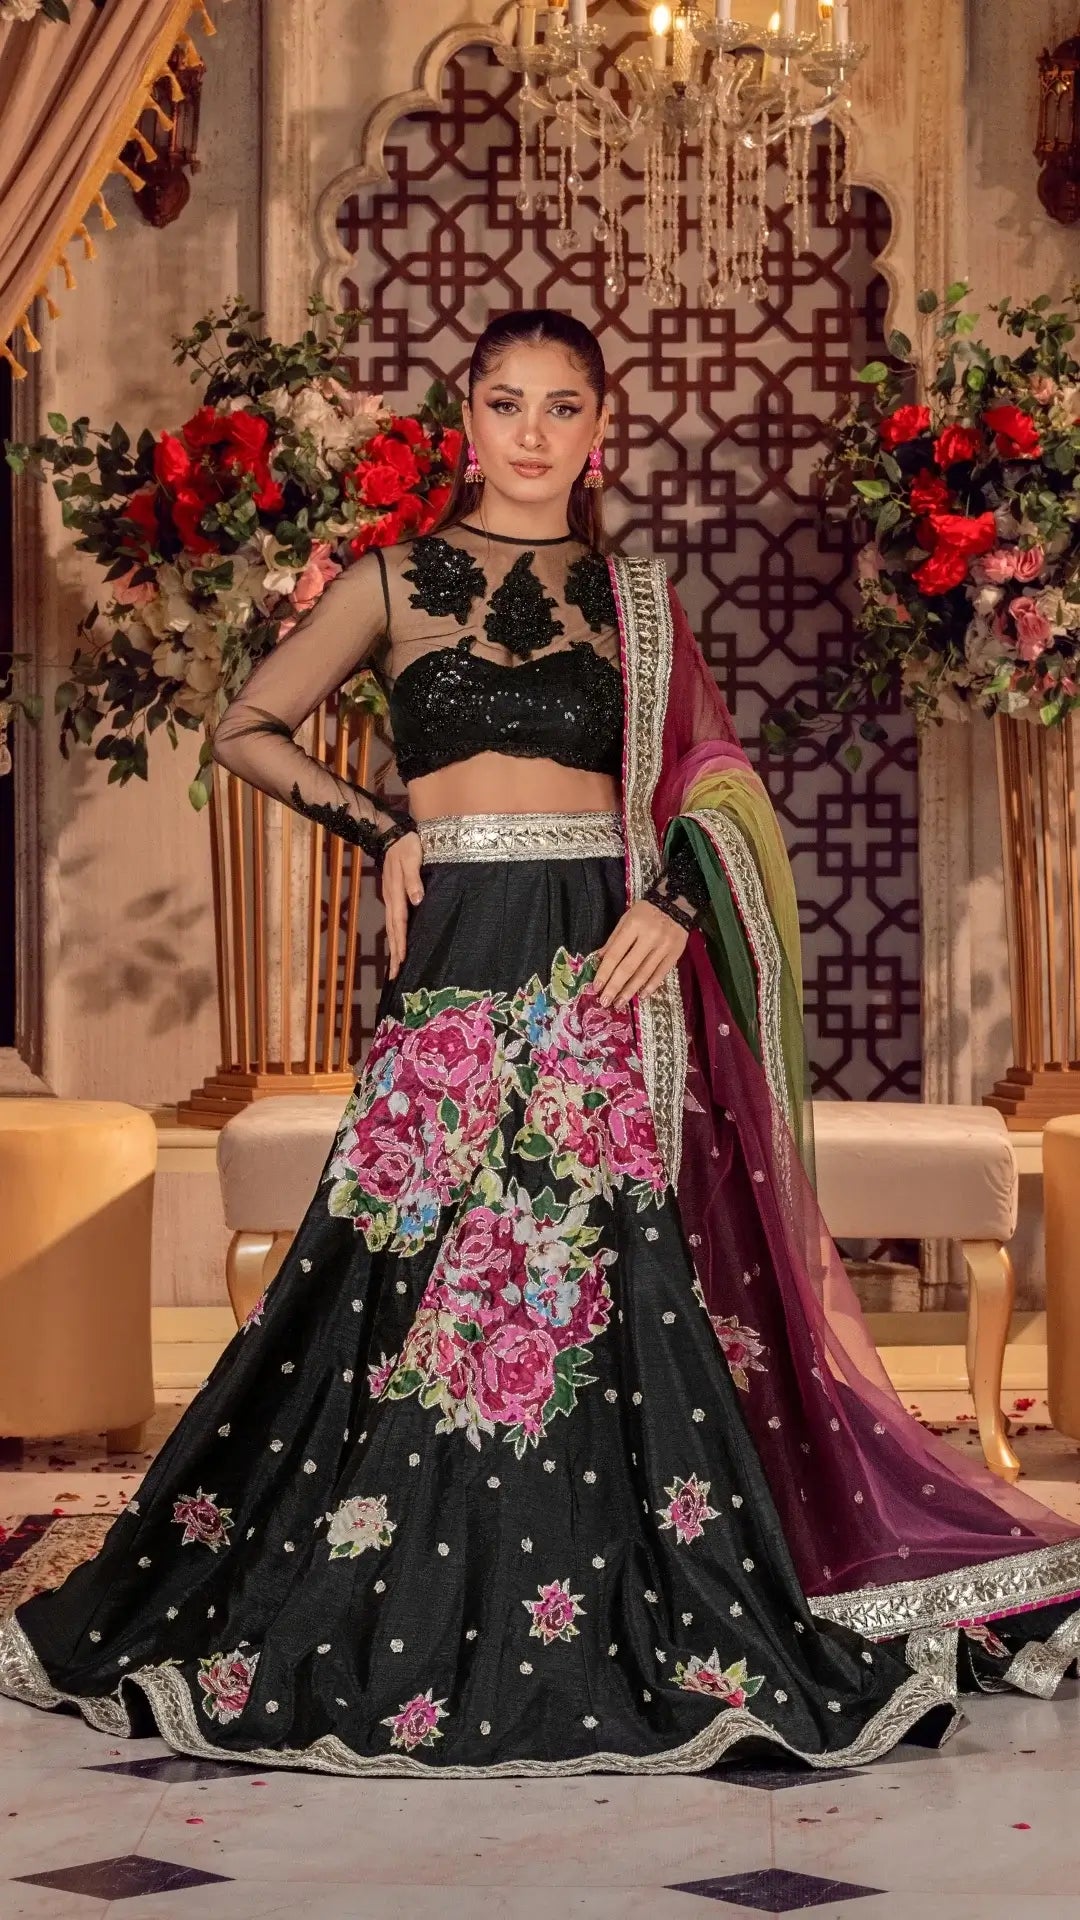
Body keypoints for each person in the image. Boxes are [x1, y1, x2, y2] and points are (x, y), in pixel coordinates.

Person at [2, 309, 1078, 1779]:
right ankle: (380, 1575)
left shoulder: (634, 598)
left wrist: (681, 905)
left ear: (599, 430)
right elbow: (246, 727)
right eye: (505, 403)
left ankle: (610, 1585)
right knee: (402, 1258)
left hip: (599, 954)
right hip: (459, 950)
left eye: (562, 407)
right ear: (466, 417)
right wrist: (382, 830)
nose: (531, 432)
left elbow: (714, 780)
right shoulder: (392, 580)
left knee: (599, 1270)